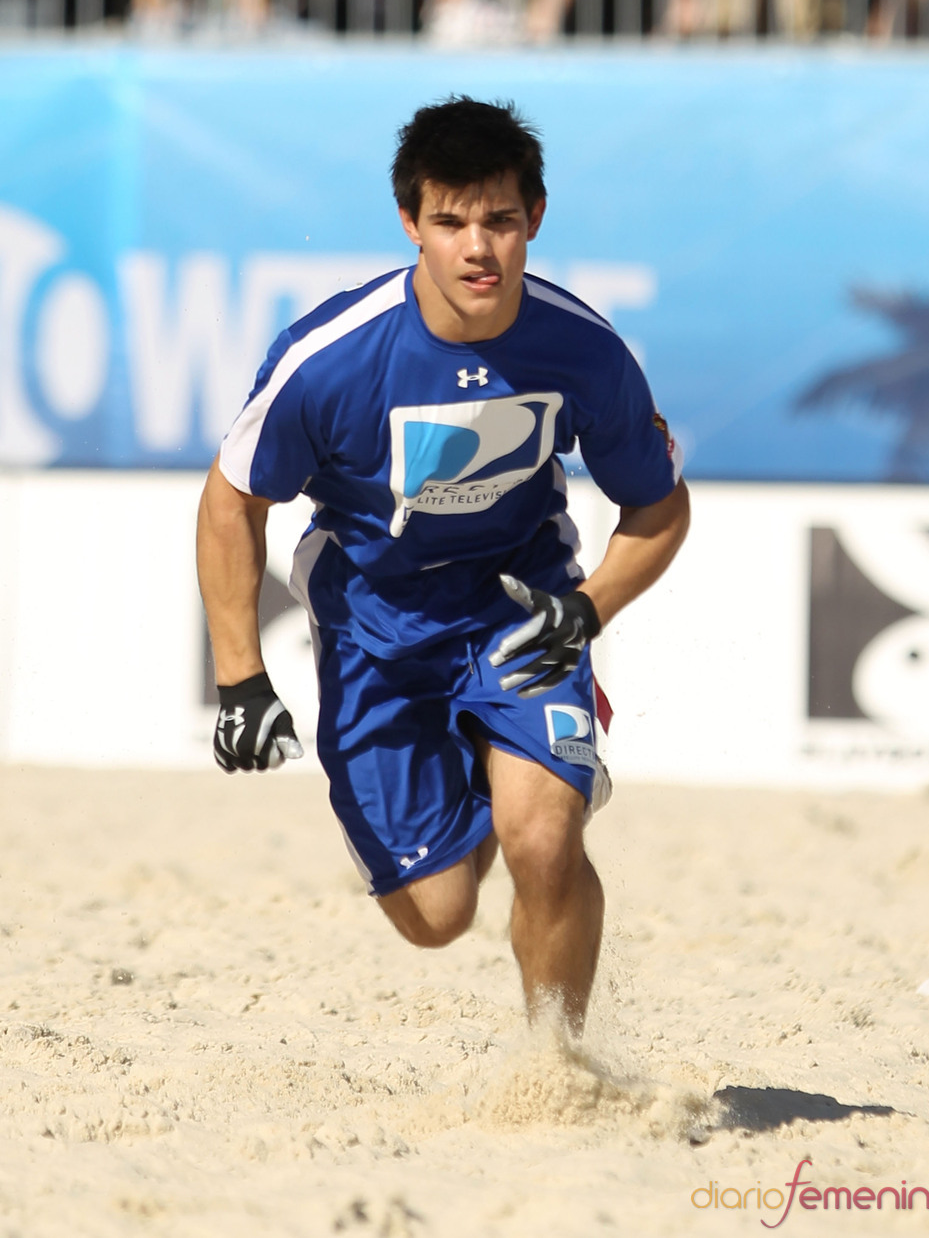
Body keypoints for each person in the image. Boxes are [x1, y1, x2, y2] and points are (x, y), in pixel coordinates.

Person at [196, 96, 689, 1036]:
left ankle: (558, 1064)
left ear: (534, 219)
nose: (479, 248)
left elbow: (659, 509)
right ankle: (487, 765)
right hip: (375, 627)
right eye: (451, 220)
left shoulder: (585, 351)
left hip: (522, 611)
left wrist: (586, 611)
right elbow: (232, 501)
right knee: (437, 917)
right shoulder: (330, 360)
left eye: (500, 220)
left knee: (543, 841)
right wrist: (240, 679)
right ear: (410, 223)